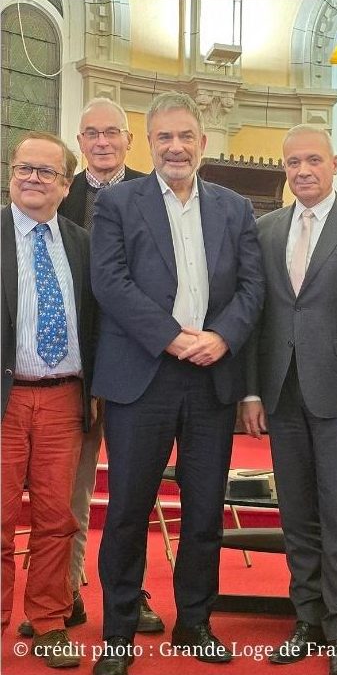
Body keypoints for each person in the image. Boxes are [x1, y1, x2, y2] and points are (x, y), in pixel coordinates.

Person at [91, 91, 264, 675]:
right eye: (164, 137)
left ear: (203, 143)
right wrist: (170, 336)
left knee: (204, 513)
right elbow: (110, 283)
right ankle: (118, 635)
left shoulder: (235, 208)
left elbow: (251, 289)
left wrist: (221, 339)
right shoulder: (117, 203)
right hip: (142, 376)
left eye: (186, 136)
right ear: (148, 142)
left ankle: (194, 622)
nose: (176, 147)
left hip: (210, 377)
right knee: (126, 512)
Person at [241, 124, 337, 675]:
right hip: (280, 392)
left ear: (333, 164)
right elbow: (259, 319)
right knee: (297, 512)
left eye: (312, 161)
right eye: (292, 163)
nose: (302, 171)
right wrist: (252, 390)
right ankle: (307, 616)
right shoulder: (266, 230)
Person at [15, 97, 163, 639]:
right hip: (69, 378)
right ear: (79, 145)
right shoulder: (57, 193)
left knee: (131, 495)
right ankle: (67, 596)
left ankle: (131, 595)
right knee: (69, 500)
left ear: (129, 140)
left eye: (112, 133)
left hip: (133, 375)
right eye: (91, 133)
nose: (102, 141)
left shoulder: (157, 194)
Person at [1, 132, 97, 667]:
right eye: (23, 168)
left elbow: (97, 321)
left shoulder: (81, 243)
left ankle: (50, 620)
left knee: (58, 518)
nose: (32, 179)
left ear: (66, 184)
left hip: (64, 399)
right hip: (4, 399)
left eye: (45, 172)